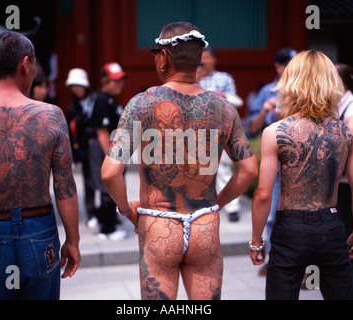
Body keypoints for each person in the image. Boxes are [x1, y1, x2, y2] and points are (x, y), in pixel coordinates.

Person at [101, 22, 258, 300]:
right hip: (204, 225)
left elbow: (110, 172)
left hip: (159, 224)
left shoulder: (140, 104)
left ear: (163, 57)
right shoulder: (223, 108)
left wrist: (127, 211)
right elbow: (248, 170)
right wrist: (216, 205)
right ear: (198, 60)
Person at [0, 31, 80, 300]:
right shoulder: (51, 116)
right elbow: (65, 187)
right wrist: (72, 241)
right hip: (38, 233)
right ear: (25, 64)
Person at [250, 50, 353, 300]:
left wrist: (257, 241)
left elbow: (262, 194)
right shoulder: (346, 133)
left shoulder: (275, 132)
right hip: (332, 225)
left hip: (290, 228)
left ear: (291, 82)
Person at [248, 48, 297, 275]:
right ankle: (275, 259)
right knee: (271, 211)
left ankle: (301, 264)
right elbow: (254, 127)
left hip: (299, 161)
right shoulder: (268, 91)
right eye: (289, 63)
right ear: (278, 67)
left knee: (300, 212)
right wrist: (265, 112)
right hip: (274, 160)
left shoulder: (302, 89)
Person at [197, 47, 243, 222]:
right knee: (202, 169)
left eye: (206, 57)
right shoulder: (193, 77)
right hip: (200, 130)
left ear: (214, 59)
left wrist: (221, 95)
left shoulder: (223, 78)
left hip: (222, 129)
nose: (203, 61)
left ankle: (232, 207)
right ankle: (204, 203)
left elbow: (236, 101)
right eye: (200, 58)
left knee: (224, 169)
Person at [88, 62, 127, 240]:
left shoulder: (110, 98)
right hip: (102, 146)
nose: (119, 84)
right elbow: (102, 130)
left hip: (110, 145)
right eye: (114, 81)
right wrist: (110, 157)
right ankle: (107, 229)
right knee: (107, 185)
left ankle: (108, 219)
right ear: (105, 81)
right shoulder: (102, 99)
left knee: (113, 184)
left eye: (121, 80)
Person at [335, 63, 353, 297]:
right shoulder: (338, 104)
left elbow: (351, 135)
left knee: (349, 232)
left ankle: (351, 288)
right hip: (338, 180)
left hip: (347, 181)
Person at [65, 68, 97, 228]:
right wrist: (75, 155)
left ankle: (108, 212)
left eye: (78, 85)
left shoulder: (97, 101)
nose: (75, 89)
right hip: (84, 149)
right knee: (89, 182)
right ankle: (92, 214)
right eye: (73, 86)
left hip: (98, 147)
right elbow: (71, 134)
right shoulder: (72, 109)